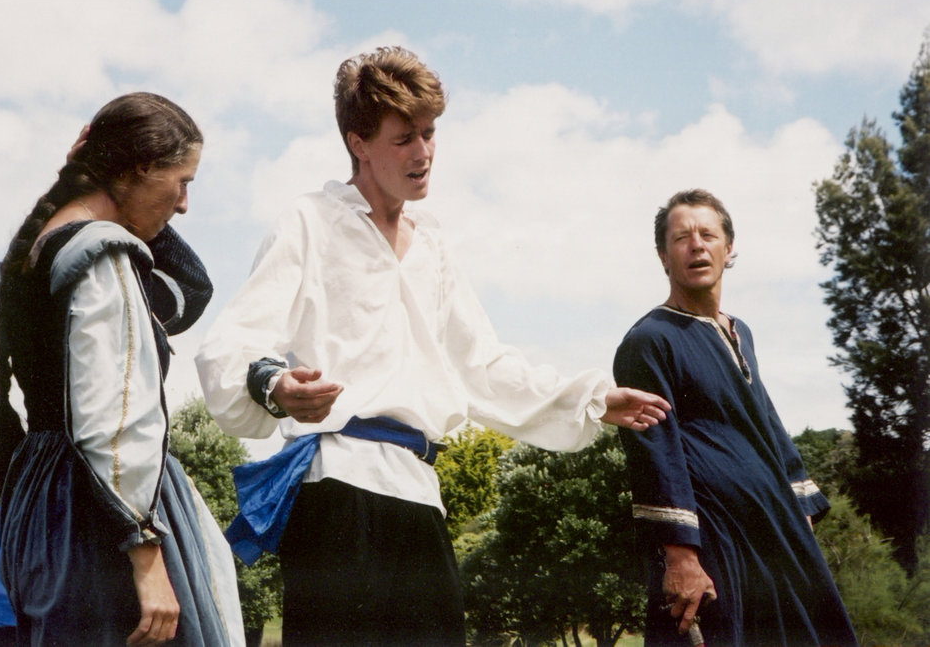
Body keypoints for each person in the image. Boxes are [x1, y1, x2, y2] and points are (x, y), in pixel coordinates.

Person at [195, 46, 670, 646]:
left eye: (430, 133)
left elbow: (485, 367)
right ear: (358, 143)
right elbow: (234, 339)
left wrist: (592, 398)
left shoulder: (434, 247)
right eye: (403, 139)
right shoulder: (310, 222)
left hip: (419, 498)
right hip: (338, 495)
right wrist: (275, 386)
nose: (422, 153)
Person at [0, 92, 244, 646]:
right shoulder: (104, 254)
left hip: (46, 496)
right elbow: (113, 411)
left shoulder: (44, 243)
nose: (183, 205)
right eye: (184, 181)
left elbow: (189, 291)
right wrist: (146, 552)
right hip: (103, 511)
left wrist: (98, 182)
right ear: (143, 166)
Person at [613, 189, 857, 646]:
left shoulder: (739, 331)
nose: (697, 245)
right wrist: (681, 556)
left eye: (708, 234)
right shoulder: (650, 340)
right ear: (663, 256)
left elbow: (764, 420)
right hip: (714, 542)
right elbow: (655, 454)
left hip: (772, 530)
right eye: (682, 238)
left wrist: (798, 509)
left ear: (729, 249)